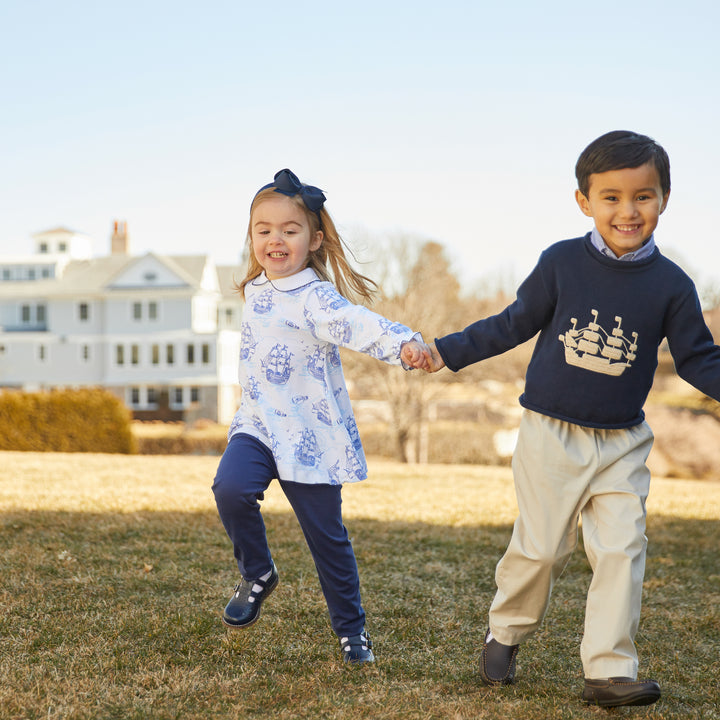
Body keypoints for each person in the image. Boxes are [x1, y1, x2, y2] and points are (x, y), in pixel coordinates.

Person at [406, 130, 720, 706]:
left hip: (623, 441)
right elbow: (511, 322)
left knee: (623, 549)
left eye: (644, 197)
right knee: (543, 549)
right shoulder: (560, 263)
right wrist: (447, 350)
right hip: (551, 433)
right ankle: (506, 630)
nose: (628, 211)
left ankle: (609, 669)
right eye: (612, 198)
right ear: (584, 201)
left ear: (664, 200)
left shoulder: (673, 285)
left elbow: (700, 358)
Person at [212, 168, 427, 665]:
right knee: (230, 488)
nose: (275, 239)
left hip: (309, 434)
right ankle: (258, 572)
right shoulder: (254, 291)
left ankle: (352, 632)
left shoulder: (315, 298)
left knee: (327, 540)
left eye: (290, 230)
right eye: (263, 230)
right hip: (259, 424)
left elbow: (358, 324)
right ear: (251, 237)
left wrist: (403, 343)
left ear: (314, 239)